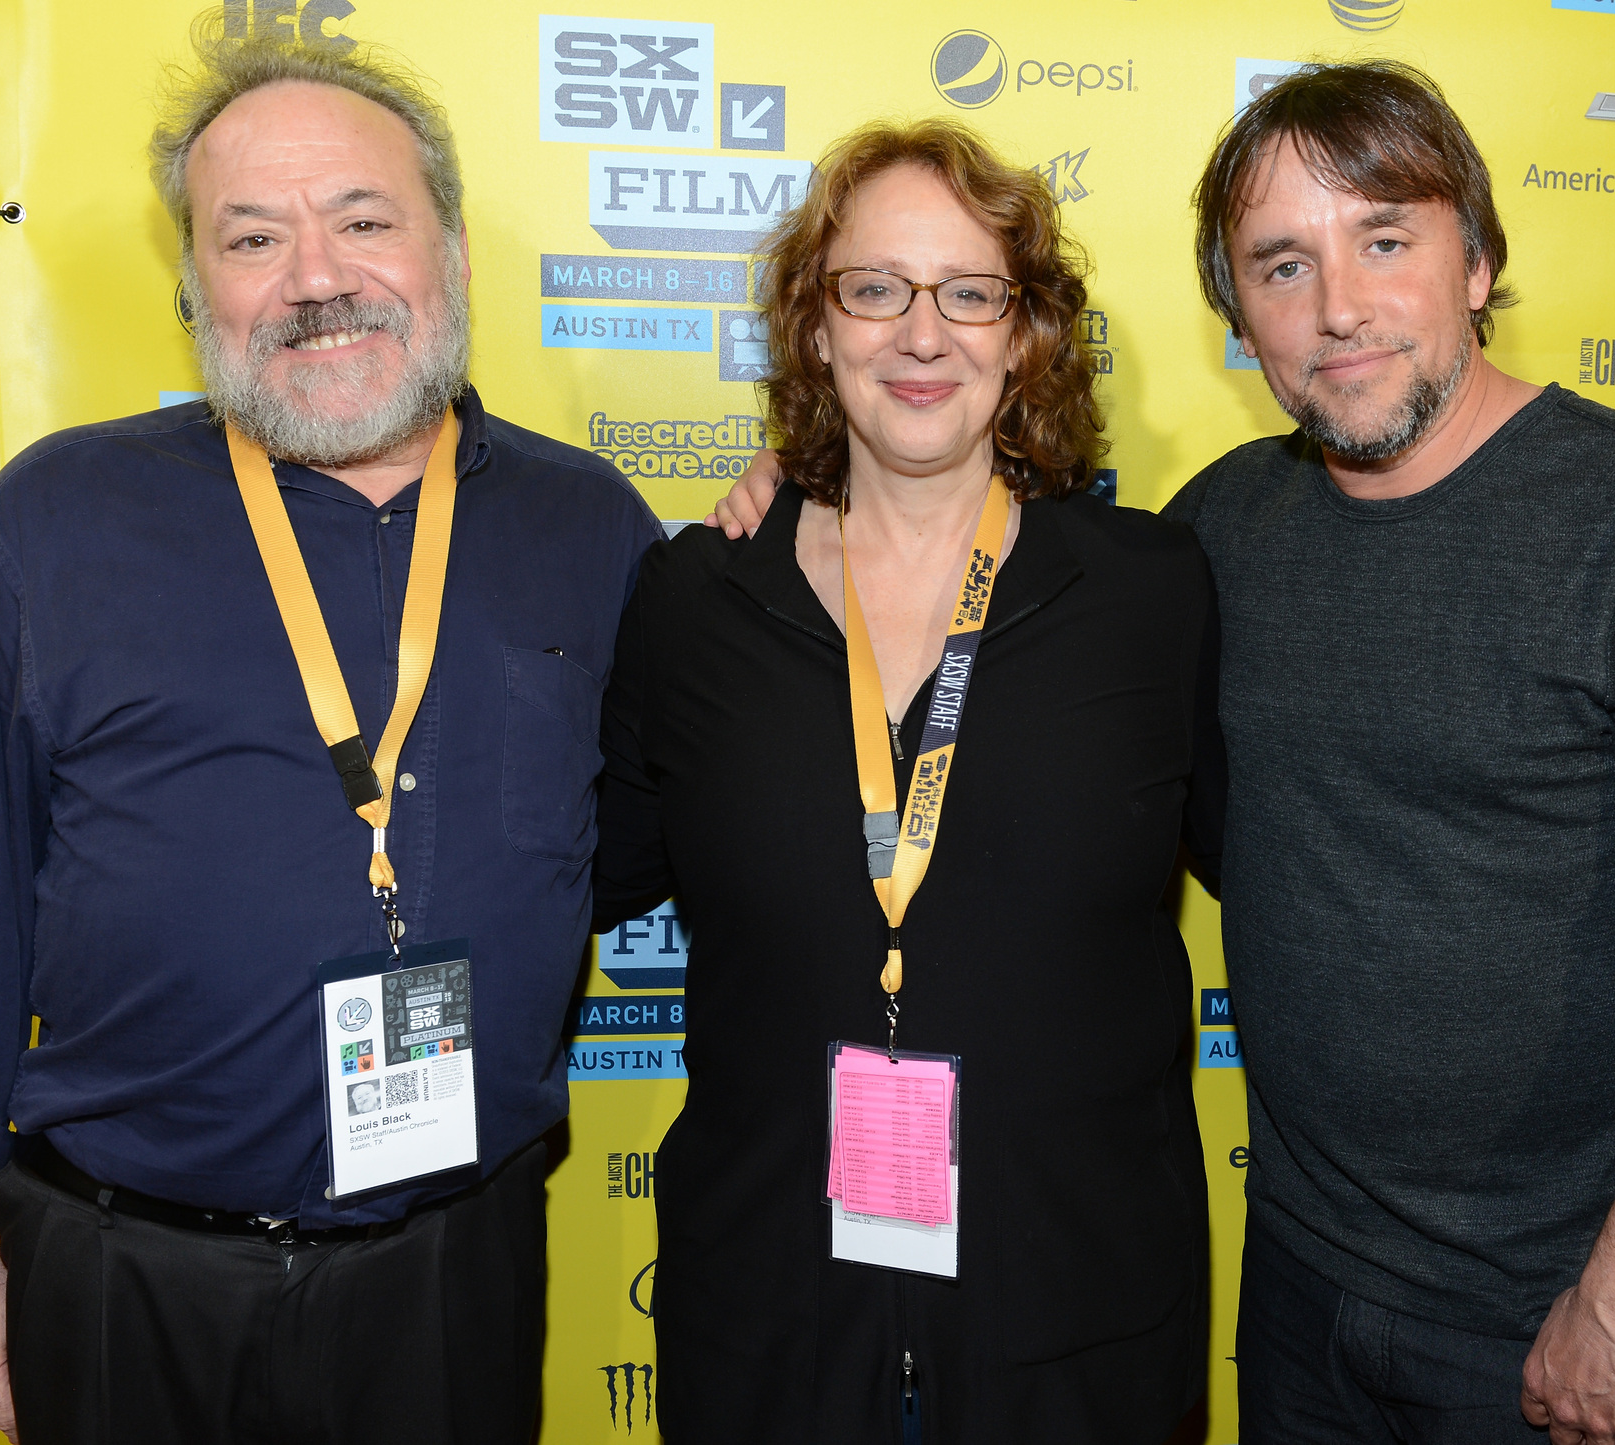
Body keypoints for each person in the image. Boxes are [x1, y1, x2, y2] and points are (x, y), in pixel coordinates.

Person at [711, 62, 1615, 1445]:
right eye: (1282, 264)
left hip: (1549, 1306)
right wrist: (807, 499)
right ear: (1237, 313)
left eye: (1387, 240)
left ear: (1479, 259)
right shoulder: (1216, 535)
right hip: (1295, 1285)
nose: (1340, 308)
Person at [0, 24, 658, 1445]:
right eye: (253, 238)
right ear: (192, 288)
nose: (318, 279)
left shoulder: (590, 527)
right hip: (117, 1276)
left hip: (452, 1276)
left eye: (363, 220)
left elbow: (651, 831)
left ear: (453, 254)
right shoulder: (59, 519)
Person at [594, 117, 1226, 1444]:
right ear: (815, 328)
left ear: (1027, 330)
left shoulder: (1152, 592)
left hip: (1075, 1338)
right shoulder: (698, 599)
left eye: (970, 292)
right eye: (873, 289)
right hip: (771, 1337)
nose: (920, 334)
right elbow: (591, 866)